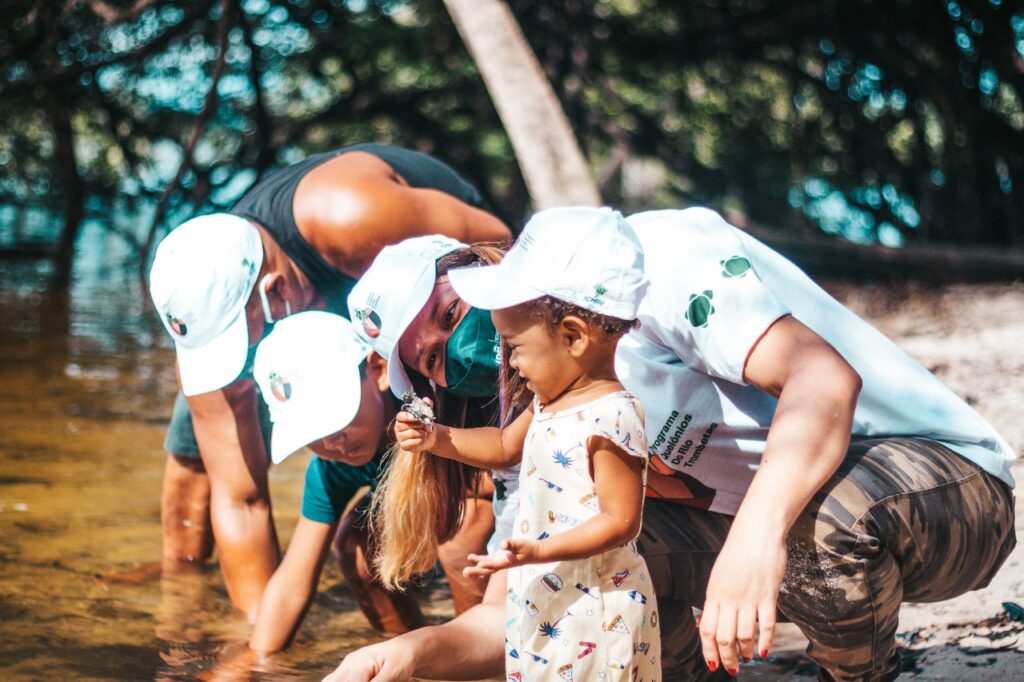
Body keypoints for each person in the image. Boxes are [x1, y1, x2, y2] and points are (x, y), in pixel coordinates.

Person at [326, 206, 1016, 681]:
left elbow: (822, 378)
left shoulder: (648, 261)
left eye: (451, 316)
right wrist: (408, 655)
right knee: (601, 549)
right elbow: (519, 606)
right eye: (436, 360)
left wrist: (754, 537)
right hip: (771, 523)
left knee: (815, 517)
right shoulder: (538, 411)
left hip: (945, 489)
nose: (464, 348)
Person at [148, 144, 511, 619]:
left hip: (434, 294)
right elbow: (242, 499)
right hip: (323, 320)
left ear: (276, 292)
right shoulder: (205, 308)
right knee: (194, 463)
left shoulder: (352, 217)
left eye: (241, 346)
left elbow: (501, 247)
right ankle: (180, 594)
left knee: (461, 511)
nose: (239, 371)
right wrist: (263, 648)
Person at [395, 209, 660, 680]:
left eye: (513, 345)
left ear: (573, 336)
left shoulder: (612, 416)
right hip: (554, 598)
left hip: (598, 610)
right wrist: (436, 438)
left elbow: (620, 521)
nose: (510, 363)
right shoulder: (546, 403)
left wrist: (539, 552)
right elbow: (501, 447)